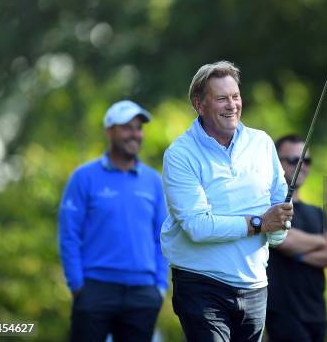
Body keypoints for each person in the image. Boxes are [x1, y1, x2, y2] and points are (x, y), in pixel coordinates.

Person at [160, 60, 293, 342]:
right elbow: (197, 226)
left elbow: (278, 222)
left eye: (235, 96)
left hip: (255, 285)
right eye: (221, 98)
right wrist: (259, 223)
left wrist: (279, 224)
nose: (232, 105)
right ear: (200, 105)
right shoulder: (180, 154)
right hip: (201, 283)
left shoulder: (262, 143)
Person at [58, 100, 168, 342]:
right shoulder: (83, 177)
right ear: (110, 131)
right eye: (127, 128)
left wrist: (159, 287)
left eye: (138, 128)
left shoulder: (153, 180)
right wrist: (77, 286)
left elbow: (163, 237)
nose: (135, 134)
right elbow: (69, 236)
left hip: (142, 293)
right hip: (95, 288)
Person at [265, 134, 327, 342]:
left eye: (306, 161)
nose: (301, 166)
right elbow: (284, 240)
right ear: (275, 162)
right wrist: (321, 241)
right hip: (282, 315)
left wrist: (299, 255)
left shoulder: (317, 213)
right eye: (293, 160)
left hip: (317, 313)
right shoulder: (269, 208)